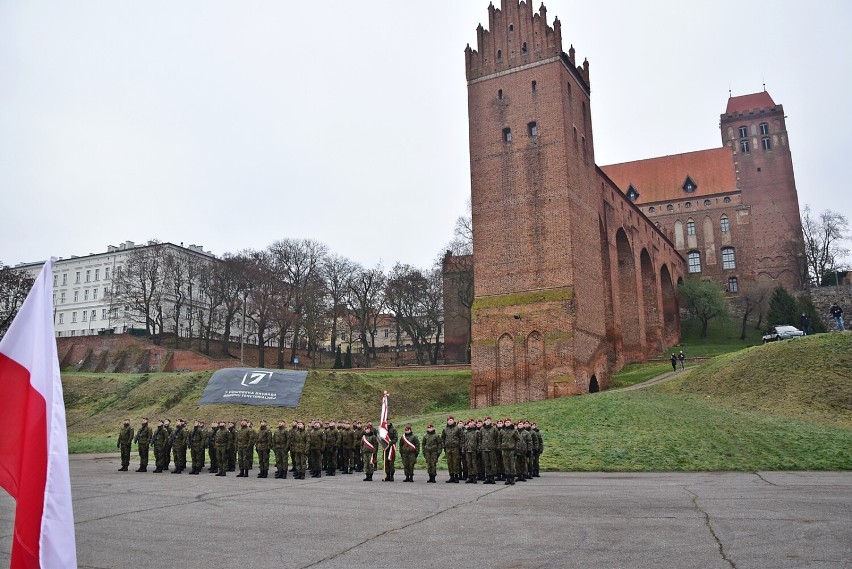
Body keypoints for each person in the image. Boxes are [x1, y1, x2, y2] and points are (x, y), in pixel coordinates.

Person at [441, 416, 463, 483]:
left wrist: (460, 447)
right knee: (449, 462)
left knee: (456, 462)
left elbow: (461, 438)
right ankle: (451, 476)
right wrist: (444, 446)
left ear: (453, 421)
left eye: (451, 420)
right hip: (448, 448)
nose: (450, 421)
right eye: (449, 420)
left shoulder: (458, 428)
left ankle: (456, 477)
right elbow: (443, 438)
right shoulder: (445, 429)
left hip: (456, 447)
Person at [478, 417, 498, 484]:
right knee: (486, 463)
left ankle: (492, 478)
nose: (487, 422)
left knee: (492, 463)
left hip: (492, 449)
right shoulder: (482, 429)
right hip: (484, 449)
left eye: (489, 420)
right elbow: (480, 439)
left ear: (490, 421)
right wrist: (481, 447)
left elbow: (497, 438)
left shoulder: (494, 429)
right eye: (486, 420)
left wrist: (496, 447)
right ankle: (488, 477)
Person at [500, 418, 519, 485]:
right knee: (506, 464)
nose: (507, 423)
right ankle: (508, 478)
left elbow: (517, 440)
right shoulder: (502, 431)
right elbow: (500, 440)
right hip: (504, 450)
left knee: (512, 464)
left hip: (512, 450)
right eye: (506, 422)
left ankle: (512, 478)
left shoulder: (514, 431)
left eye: (508, 422)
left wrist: (516, 449)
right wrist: (501, 447)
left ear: (510, 423)